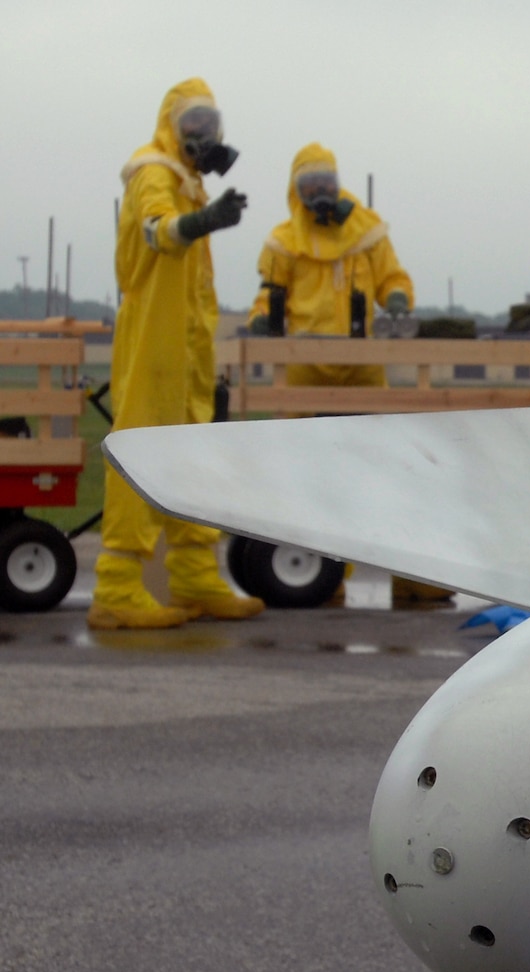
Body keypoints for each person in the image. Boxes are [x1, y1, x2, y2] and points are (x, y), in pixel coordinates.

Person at [92, 78, 264, 630]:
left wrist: (203, 216)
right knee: (140, 450)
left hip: (188, 345)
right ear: (170, 125)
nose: (202, 135)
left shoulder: (186, 180)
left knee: (193, 456)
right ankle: (116, 588)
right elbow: (156, 231)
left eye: (209, 125)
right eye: (191, 124)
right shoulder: (154, 174)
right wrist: (199, 222)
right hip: (153, 340)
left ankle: (194, 575)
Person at [247, 143, 414, 383]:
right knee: (296, 419)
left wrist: (398, 297)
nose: (321, 189)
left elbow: (390, 277)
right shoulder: (284, 242)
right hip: (304, 360)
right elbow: (271, 293)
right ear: (296, 190)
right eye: (311, 183)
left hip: (362, 357)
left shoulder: (366, 231)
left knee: (376, 420)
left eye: (326, 181)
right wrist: (261, 317)